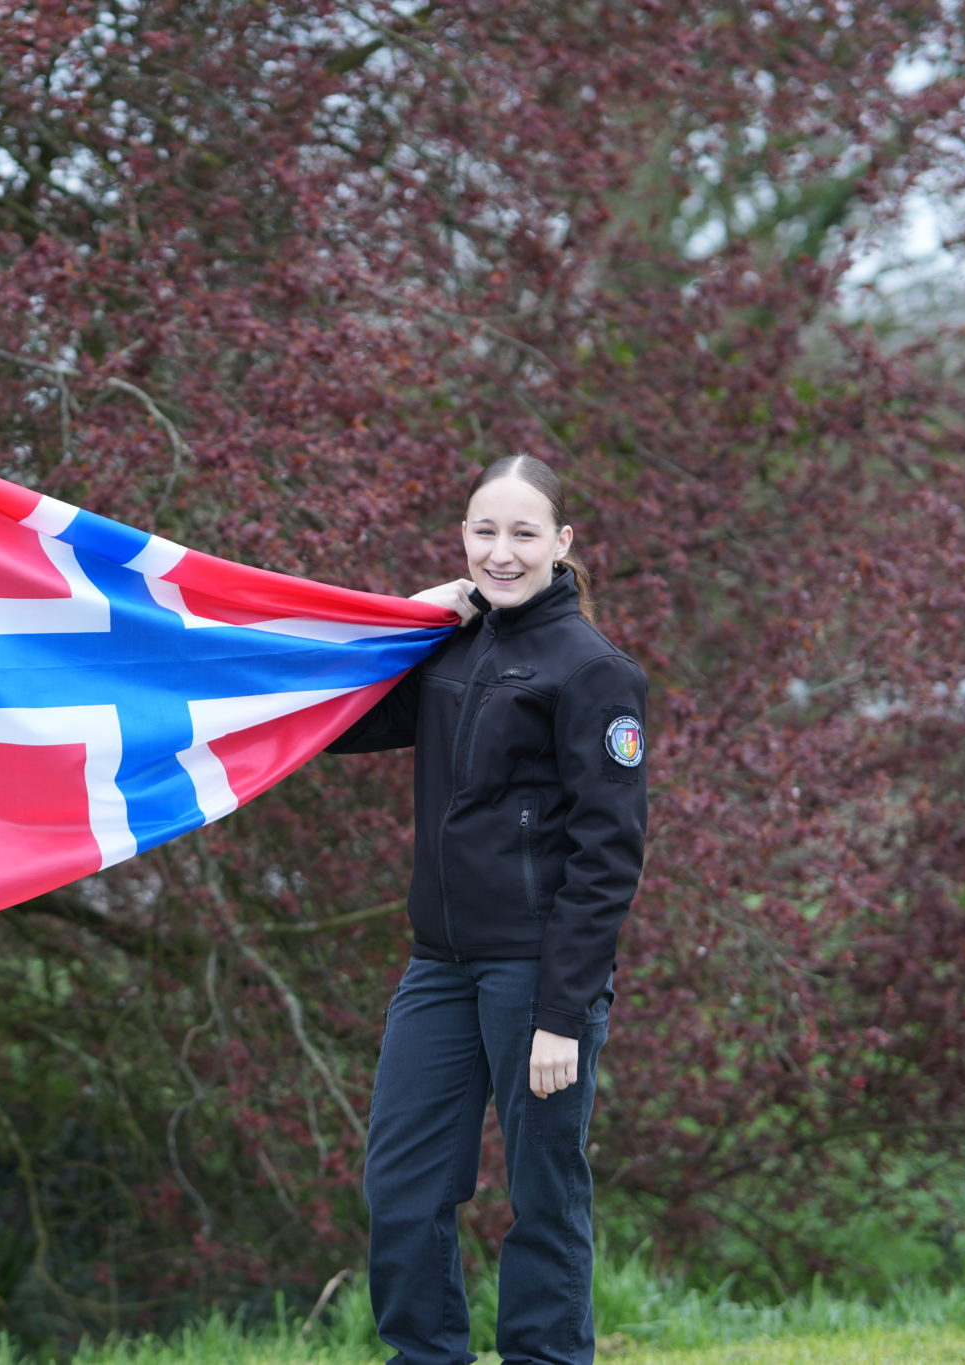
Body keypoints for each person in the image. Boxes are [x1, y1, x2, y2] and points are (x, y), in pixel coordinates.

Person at [327, 456, 648, 1365]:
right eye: (484, 531)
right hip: (439, 966)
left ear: (562, 542)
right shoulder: (452, 649)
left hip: (538, 975)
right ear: (463, 537)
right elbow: (338, 718)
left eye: (523, 533)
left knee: (544, 1193)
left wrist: (561, 1013)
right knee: (402, 1186)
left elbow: (608, 859)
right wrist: (414, 617)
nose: (501, 552)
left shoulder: (594, 673)